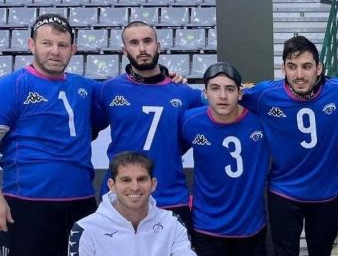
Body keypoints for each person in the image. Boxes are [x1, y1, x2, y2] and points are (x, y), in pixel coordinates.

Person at [0, 13, 98, 256]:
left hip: (81, 203)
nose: (55, 51)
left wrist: (168, 77)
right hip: (27, 204)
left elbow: (123, 98)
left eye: (62, 45)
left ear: (73, 49)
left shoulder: (86, 87)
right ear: (32, 45)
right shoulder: (11, 86)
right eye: (47, 43)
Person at [241, 35, 338, 256]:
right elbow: (220, 95)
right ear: (283, 69)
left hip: (326, 193)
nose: (299, 75)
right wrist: (178, 81)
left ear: (319, 68)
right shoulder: (264, 95)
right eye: (292, 67)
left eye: (306, 66)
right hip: (284, 192)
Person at [93, 21, 204, 229]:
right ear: (124, 50)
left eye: (147, 41)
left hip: (170, 197)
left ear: (158, 46)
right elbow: (86, 129)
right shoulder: (108, 90)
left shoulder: (184, 93)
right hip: (120, 199)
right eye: (134, 43)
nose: (142, 48)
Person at [180, 62, 270, 256]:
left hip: (250, 227)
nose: (222, 96)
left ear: (240, 93)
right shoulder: (189, 121)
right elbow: (170, 153)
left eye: (229, 89)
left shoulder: (261, 121)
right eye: (215, 88)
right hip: (207, 228)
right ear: (205, 92)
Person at [69, 151, 196, 255]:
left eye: (141, 179)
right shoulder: (86, 229)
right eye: (126, 180)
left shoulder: (172, 223)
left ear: (153, 184)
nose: (135, 187)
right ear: (112, 185)